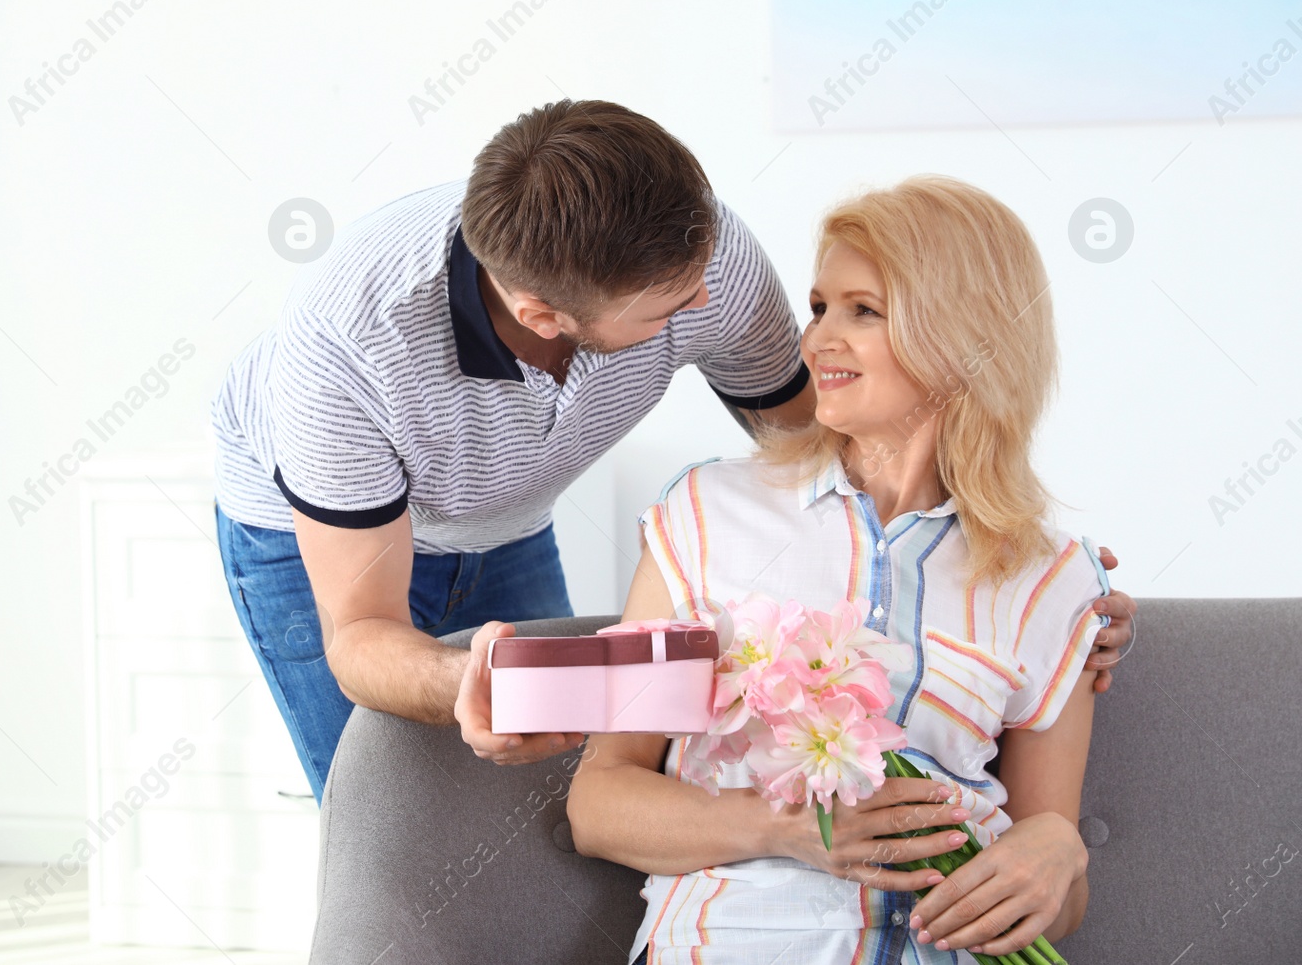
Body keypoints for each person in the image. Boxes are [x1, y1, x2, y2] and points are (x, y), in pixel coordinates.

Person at [211, 100, 1138, 806]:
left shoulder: (703, 253)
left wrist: (1033, 583)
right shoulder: (343, 352)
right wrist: (465, 680)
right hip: (317, 538)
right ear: (545, 316)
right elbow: (360, 636)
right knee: (389, 810)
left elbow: (836, 457)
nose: (712, 306)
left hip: (509, 515)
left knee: (533, 803)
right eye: (670, 309)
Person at [566, 176, 1113, 963]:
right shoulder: (707, 513)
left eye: (863, 310)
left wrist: (1059, 853)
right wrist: (789, 828)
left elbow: (1055, 897)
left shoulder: (1053, 577)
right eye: (819, 306)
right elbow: (601, 799)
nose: (816, 338)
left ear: (965, 337)